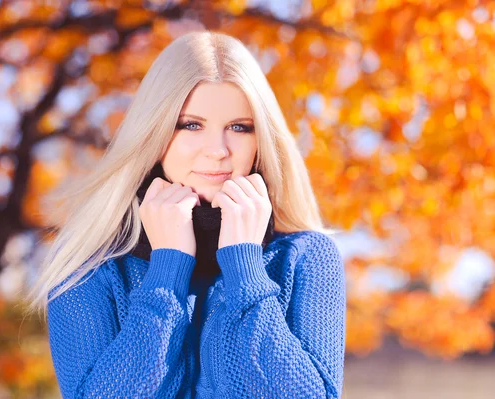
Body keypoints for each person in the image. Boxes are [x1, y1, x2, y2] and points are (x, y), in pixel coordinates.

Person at [23, 30, 346, 398]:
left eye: (239, 127)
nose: (217, 150)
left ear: (261, 142)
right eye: (191, 125)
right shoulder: (86, 265)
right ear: (155, 134)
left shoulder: (306, 258)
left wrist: (245, 268)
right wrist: (168, 269)